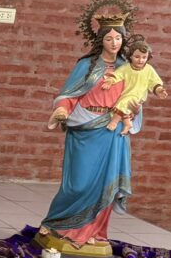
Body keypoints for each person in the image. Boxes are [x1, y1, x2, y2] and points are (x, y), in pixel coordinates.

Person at [41, 23, 129, 245]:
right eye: (109, 39)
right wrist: (62, 109)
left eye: (118, 38)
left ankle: (93, 232)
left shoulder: (127, 68)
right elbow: (69, 94)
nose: (114, 43)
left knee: (104, 184)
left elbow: (134, 96)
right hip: (85, 128)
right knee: (78, 184)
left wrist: (132, 107)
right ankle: (57, 223)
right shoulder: (86, 65)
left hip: (112, 131)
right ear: (101, 40)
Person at [101, 39, 167, 135]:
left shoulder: (149, 69)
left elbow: (154, 82)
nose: (141, 60)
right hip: (127, 93)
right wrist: (110, 81)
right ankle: (128, 124)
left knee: (124, 103)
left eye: (144, 57)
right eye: (137, 57)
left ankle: (114, 122)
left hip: (138, 96)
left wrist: (159, 90)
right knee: (123, 106)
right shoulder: (126, 68)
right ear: (130, 56)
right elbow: (117, 75)